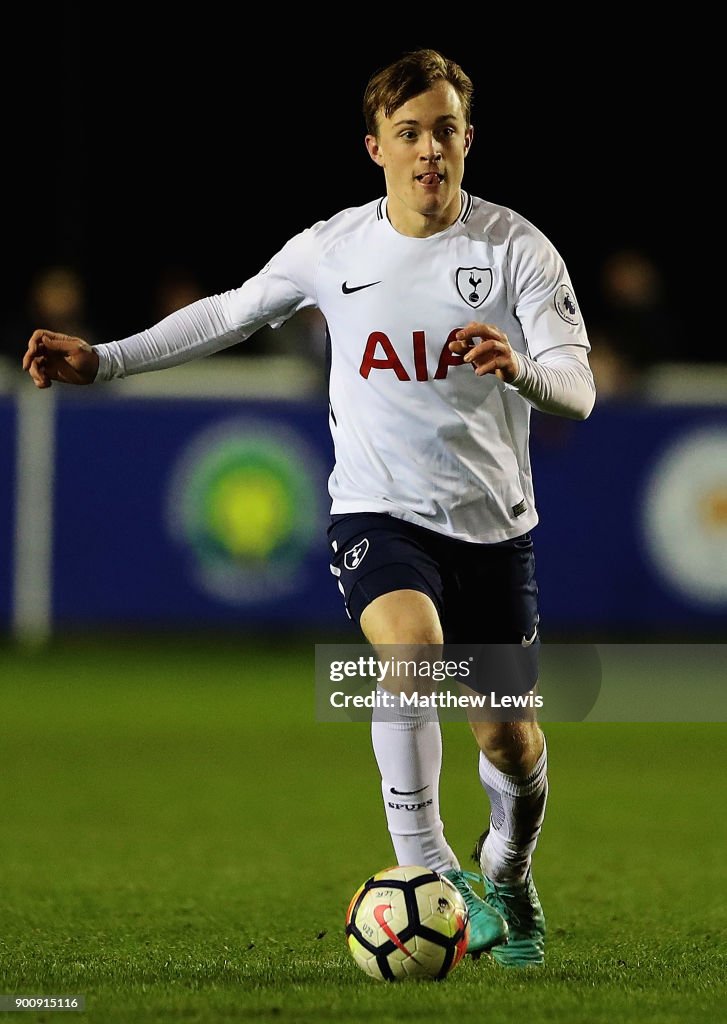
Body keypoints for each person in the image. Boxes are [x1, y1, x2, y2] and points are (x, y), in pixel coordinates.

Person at [22, 48, 595, 967]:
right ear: (375, 147)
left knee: (511, 741)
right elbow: (228, 313)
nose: (428, 151)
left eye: (445, 130)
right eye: (409, 133)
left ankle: (510, 873)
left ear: (468, 139)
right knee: (408, 654)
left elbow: (579, 386)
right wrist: (107, 358)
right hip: (379, 511)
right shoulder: (335, 249)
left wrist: (522, 368)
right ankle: (432, 876)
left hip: (494, 528)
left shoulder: (515, 248)